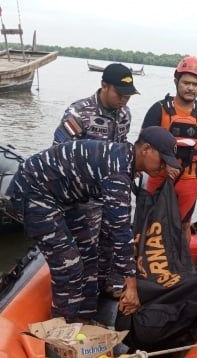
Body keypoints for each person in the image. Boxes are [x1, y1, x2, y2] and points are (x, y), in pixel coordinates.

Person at [6, 126, 181, 323]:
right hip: (34, 192)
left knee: (89, 256)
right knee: (69, 266)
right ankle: (61, 332)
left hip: (64, 198)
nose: (164, 167)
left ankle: (84, 318)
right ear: (146, 149)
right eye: (163, 161)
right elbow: (120, 229)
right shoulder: (118, 171)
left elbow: (116, 225)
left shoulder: (126, 160)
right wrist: (131, 285)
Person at [53, 63, 139, 294]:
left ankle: (104, 285)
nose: (124, 100)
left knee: (110, 241)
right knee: (86, 245)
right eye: (120, 94)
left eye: (128, 96)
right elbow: (60, 153)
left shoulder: (124, 115)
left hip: (111, 193)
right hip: (84, 196)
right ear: (103, 86)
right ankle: (81, 292)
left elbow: (122, 149)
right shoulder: (79, 112)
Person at [141, 56, 197, 246]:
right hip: (158, 176)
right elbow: (142, 145)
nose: (191, 88)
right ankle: (145, 265)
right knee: (152, 223)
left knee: (184, 224)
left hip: (189, 179)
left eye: (195, 84)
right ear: (176, 81)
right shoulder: (159, 109)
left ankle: (181, 265)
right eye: (186, 83)